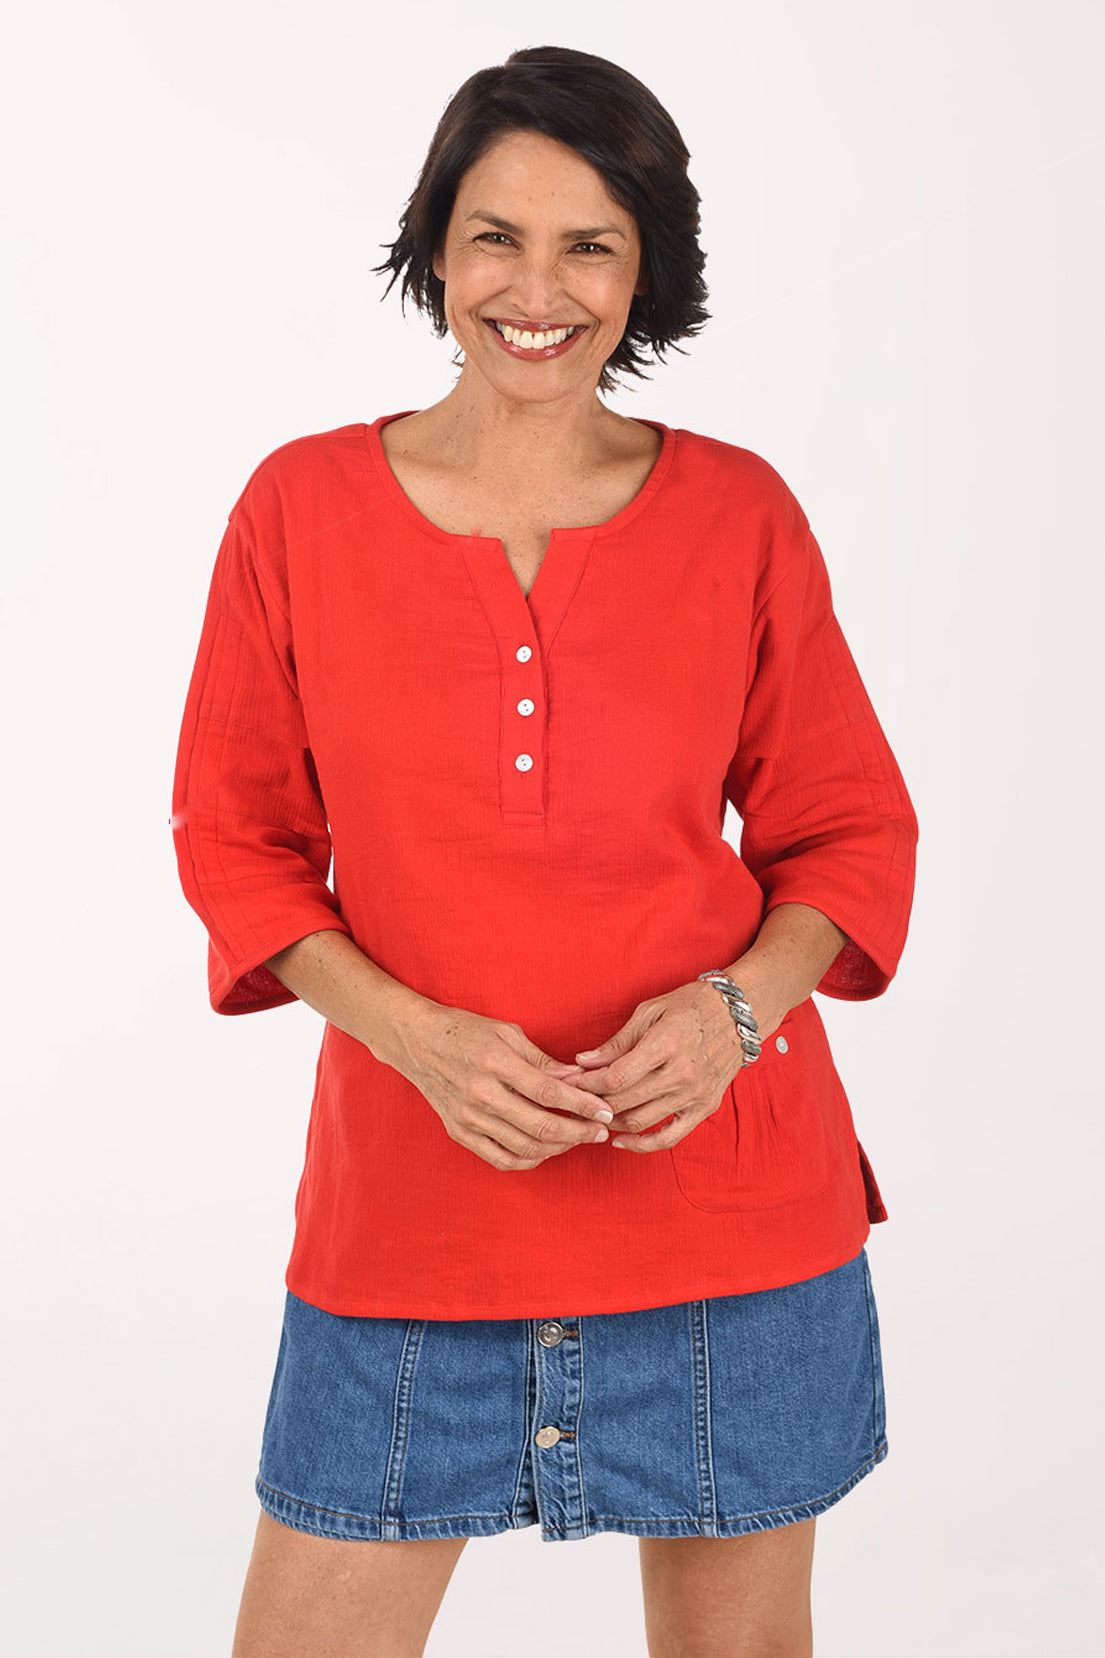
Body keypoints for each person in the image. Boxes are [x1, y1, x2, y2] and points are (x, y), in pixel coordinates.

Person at [171, 44, 918, 1658]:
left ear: (646, 267)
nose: (537, 286)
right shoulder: (296, 509)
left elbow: (843, 829)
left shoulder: (740, 516)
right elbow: (235, 840)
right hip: (408, 1229)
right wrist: (411, 1035)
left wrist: (731, 1016)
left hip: (728, 1220)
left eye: (592, 243)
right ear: (435, 246)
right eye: (496, 234)